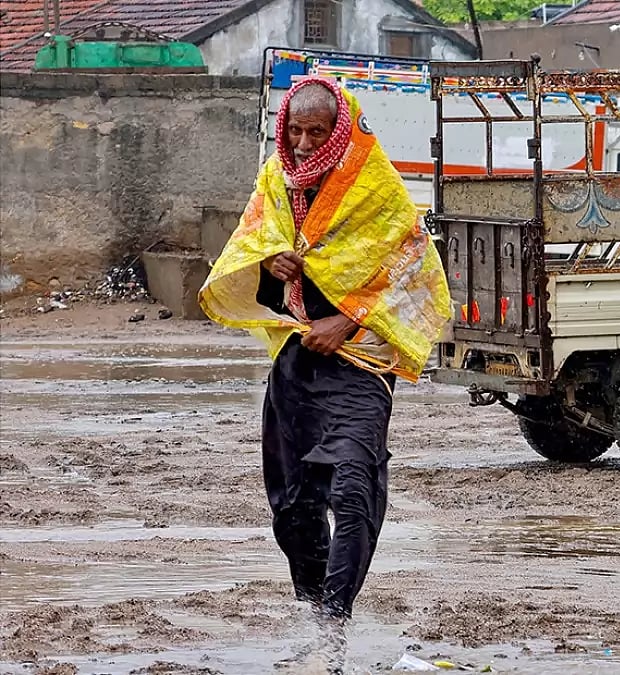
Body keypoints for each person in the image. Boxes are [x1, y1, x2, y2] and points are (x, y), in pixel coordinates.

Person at [199, 77, 450, 651]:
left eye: (317, 132)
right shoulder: (275, 180)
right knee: (292, 505)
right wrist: (272, 263)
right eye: (296, 130)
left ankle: (336, 617)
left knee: (354, 490)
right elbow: (249, 251)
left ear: (340, 130)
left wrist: (348, 320)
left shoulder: (376, 187)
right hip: (296, 362)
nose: (305, 143)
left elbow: (415, 272)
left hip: (361, 364)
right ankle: (313, 611)